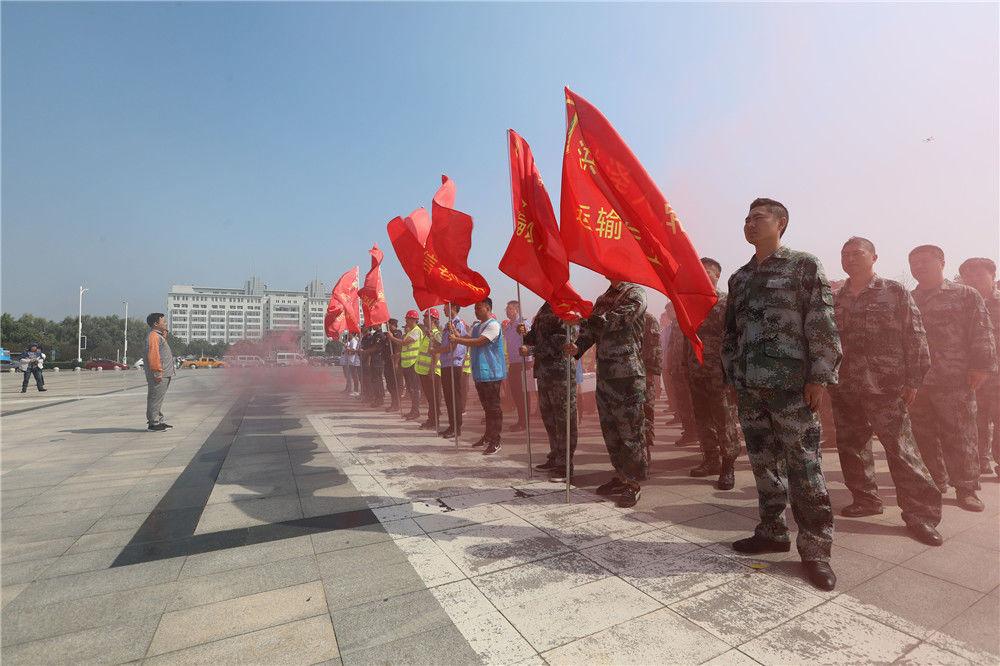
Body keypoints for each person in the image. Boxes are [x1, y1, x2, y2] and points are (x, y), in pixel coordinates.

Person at [721, 198, 841, 591]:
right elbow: (731, 333)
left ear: (781, 223)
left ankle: (816, 550)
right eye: (747, 219)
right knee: (763, 464)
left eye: (759, 217)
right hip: (751, 388)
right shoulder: (739, 278)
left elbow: (821, 321)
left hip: (792, 387)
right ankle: (772, 532)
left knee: (804, 467)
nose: (750, 223)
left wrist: (819, 376)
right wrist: (733, 379)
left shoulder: (803, 265)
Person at [830, 237, 942, 545]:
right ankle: (866, 500)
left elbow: (915, 336)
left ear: (874, 257)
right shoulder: (836, 299)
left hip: (886, 386)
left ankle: (921, 515)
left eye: (857, 253)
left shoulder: (894, 291)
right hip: (846, 386)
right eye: (845, 254)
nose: (850, 258)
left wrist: (915, 379)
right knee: (851, 447)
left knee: (902, 450)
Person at [909, 245, 996, 511]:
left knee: (961, 435)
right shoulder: (909, 297)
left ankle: (967, 488)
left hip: (954, 379)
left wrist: (981, 366)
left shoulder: (965, 295)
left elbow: (982, 331)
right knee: (923, 435)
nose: (918, 267)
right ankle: (936, 480)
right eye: (914, 263)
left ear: (942, 262)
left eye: (925, 261)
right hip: (919, 381)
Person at [568, 280, 648, 508]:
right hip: (605, 375)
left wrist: (584, 316)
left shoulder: (635, 293)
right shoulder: (603, 298)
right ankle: (621, 476)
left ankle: (633, 484)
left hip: (627, 375)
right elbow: (591, 331)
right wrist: (577, 347)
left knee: (630, 432)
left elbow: (615, 320)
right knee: (610, 431)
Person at [685, 258, 742, 490]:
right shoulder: (689, 304)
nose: (701, 275)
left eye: (707, 271)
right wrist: (684, 366)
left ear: (717, 275)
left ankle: (728, 465)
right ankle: (710, 459)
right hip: (696, 371)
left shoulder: (727, 303)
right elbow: (686, 339)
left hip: (719, 372)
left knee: (724, 419)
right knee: (702, 419)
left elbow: (737, 337)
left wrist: (734, 372)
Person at [521, 303, 577, 477]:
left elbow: (562, 341)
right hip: (545, 373)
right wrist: (525, 333)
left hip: (560, 372)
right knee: (549, 418)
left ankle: (565, 463)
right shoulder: (543, 308)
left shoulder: (565, 306)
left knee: (564, 420)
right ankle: (555, 455)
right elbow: (534, 337)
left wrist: (531, 349)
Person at [447, 297, 506, 455]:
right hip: (480, 373)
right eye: (475, 308)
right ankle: (488, 436)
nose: (475, 311)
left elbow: (479, 342)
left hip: (492, 373)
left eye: (478, 308)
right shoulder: (477, 326)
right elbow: (469, 339)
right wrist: (455, 333)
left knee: (494, 409)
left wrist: (457, 339)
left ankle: (496, 440)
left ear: (487, 308)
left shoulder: (493, 325)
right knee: (487, 408)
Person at [959, 257, 1000, 477]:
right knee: (975, 421)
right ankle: (980, 461)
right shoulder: (959, 305)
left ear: (993, 275)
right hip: (970, 375)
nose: (973, 279)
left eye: (978, 274)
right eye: (968, 275)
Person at [435, 304, 468, 439]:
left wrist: (437, 351)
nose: (443, 310)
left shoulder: (458, 324)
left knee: (455, 397)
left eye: (445, 307)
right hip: (446, 364)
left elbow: (453, 345)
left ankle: (457, 427)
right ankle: (451, 425)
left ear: (453, 307)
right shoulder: (447, 325)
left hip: (454, 363)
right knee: (448, 397)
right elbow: (444, 344)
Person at [666, 313, 699, 445]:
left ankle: (698, 433)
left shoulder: (693, 315)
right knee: (683, 402)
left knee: (694, 403)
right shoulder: (676, 321)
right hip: (678, 368)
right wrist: (670, 364)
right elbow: (671, 345)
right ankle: (689, 432)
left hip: (691, 367)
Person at [143, 312, 175, 431]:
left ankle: (158, 420)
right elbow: (154, 355)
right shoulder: (153, 336)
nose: (165, 323)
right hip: (159, 374)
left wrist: (164, 335)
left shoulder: (158, 336)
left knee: (158, 398)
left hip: (164, 373)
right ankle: (153, 423)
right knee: (155, 398)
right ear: (156, 323)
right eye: (163, 321)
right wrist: (157, 372)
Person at [503, 301, 532, 431]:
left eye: (509, 309)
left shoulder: (523, 324)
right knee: (515, 393)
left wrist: (524, 332)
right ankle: (521, 419)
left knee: (523, 393)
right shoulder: (509, 326)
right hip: (513, 363)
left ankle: (524, 422)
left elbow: (531, 339)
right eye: (506, 309)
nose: (507, 311)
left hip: (523, 362)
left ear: (516, 310)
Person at [640, 311, 663, 475]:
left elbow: (656, 348)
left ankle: (645, 454)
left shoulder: (648, 319)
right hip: (623, 376)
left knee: (645, 415)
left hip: (643, 377)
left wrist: (650, 373)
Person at [416, 310, 443, 430]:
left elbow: (436, 353)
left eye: (426, 317)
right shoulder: (428, 334)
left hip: (432, 372)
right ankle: (431, 419)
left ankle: (434, 421)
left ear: (434, 320)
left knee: (434, 398)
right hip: (424, 371)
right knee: (430, 398)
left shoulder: (436, 334)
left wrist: (432, 369)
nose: (424, 319)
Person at [395, 310, 423, 420]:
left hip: (413, 363)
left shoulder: (416, 331)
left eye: (407, 319)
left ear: (413, 320)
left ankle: (415, 411)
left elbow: (404, 343)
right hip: (407, 364)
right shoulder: (410, 332)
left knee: (415, 389)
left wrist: (392, 338)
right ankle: (413, 410)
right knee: (411, 389)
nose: (406, 321)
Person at [382, 319, 401, 412]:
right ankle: (393, 403)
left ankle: (396, 404)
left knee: (394, 385)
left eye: (388, 324)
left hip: (393, 362)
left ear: (392, 324)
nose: (387, 326)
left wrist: (396, 363)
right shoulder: (387, 335)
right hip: (387, 362)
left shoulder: (397, 333)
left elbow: (398, 347)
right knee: (389, 385)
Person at [346, 333, 361, 397]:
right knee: (353, 376)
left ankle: (356, 390)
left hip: (353, 361)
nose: (348, 335)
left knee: (355, 377)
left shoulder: (354, 341)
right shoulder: (352, 341)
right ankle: (355, 390)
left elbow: (353, 351)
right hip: (352, 361)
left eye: (349, 334)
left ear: (352, 334)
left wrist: (349, 350)